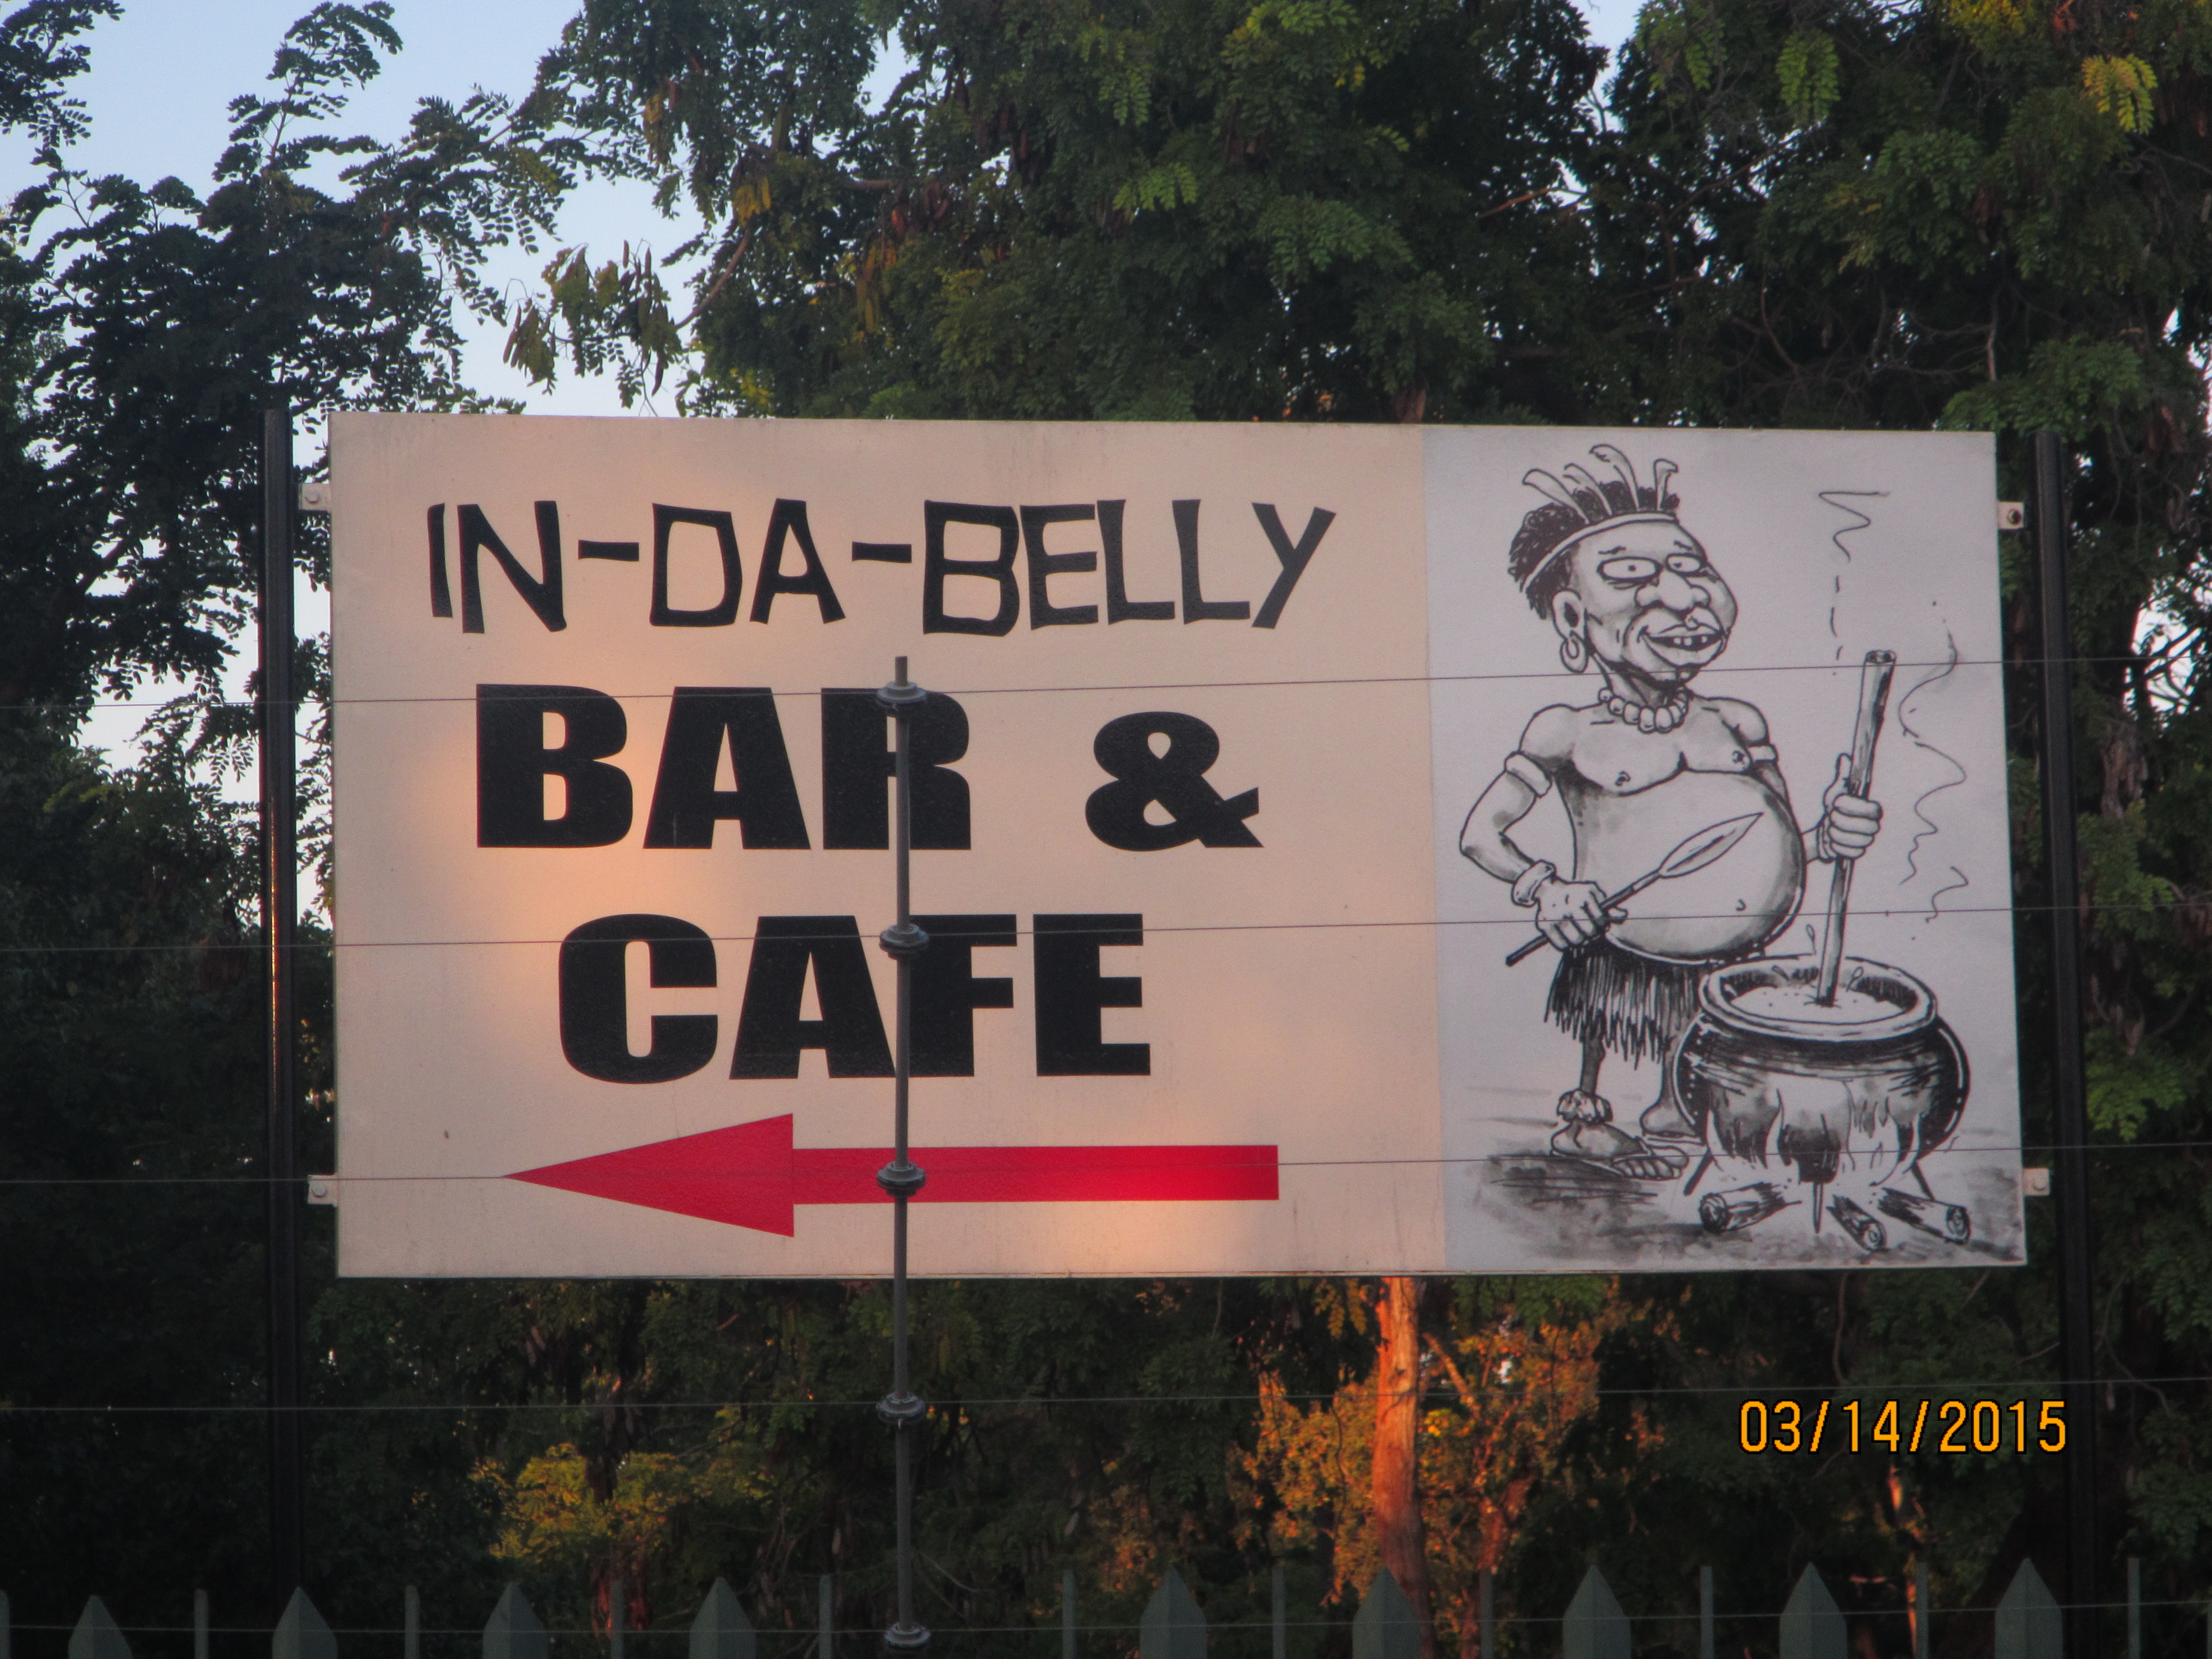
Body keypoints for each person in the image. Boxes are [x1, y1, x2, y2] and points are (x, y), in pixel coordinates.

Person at [1458, 447, 1882, 1177]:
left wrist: (1833, 836)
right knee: (1606, 1024)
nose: (1683, 598)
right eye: (1632, 575)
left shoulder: (1737, 722)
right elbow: (1481, 833)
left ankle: (1675, 1107)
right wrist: (1545, 888)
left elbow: (1782, 841)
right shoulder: (1567, 731)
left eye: (1693, 569)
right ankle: (1587, 1118)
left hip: (1727, 960)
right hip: (1617, 946)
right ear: (1573, 614)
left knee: (1695, 1062)